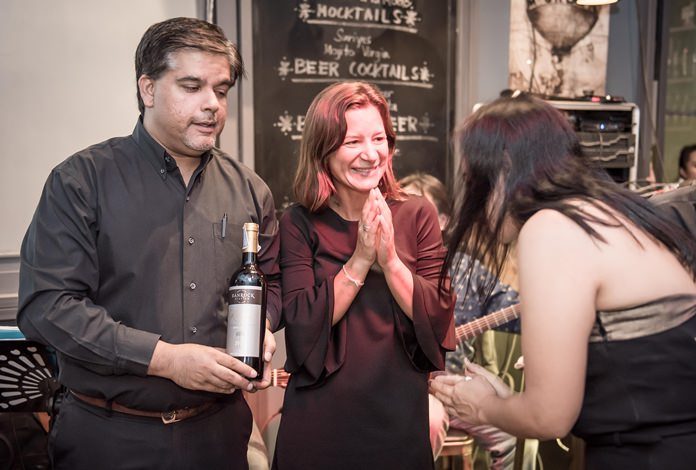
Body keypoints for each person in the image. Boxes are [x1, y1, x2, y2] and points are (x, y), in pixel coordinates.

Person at [17, 17, 281, 470]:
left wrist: (264, 326)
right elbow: (48, 307)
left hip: (218, 434)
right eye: (192, 86)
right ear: (148, 89)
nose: (212, 104)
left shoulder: (250, 191)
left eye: (221, 90)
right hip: (109, 436)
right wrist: (165, 360)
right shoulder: (81, 181)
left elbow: (272, 281)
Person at [430, 93, 696, 469]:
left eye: (474, 179)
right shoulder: (611, 211)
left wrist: (483, 406)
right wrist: (506, 400)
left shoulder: (551, 227)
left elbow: (549, 417)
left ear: (504, 169)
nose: (475, 199)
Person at [272, 81, 455, 469]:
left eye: (379, 139)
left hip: (399, 418)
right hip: (319, 422)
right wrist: (359, 259)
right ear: (323, 149)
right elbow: (302, 326)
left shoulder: (417, 214)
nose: (370, 154)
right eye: (352, 142)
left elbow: (438, 315)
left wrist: (389, 262)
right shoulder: (299, 222)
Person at [400, 172, 518, 469]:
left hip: (451, 384)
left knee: (510, 427)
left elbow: (515, 310)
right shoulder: (381, 265)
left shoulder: (466, 270)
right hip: (399, 389)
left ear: (442, 221)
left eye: (419, 210)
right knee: (428, 421)